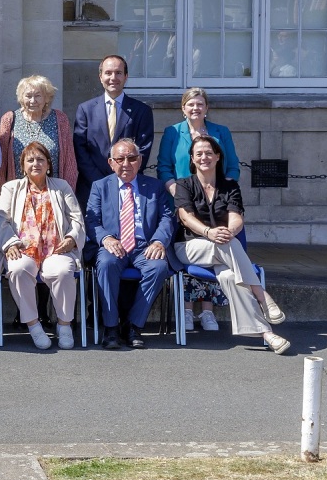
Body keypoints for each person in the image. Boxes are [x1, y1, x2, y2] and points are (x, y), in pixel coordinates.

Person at [172, 135, 291, 355]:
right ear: (192, 158)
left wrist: (229, 231)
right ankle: (263, 296)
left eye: (209, 152)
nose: (204, 157)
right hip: (190, 248)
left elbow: (236, 218)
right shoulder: (184, 185)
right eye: (199, 153)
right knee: (225, 244)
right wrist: (209, 232)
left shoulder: (230, 186)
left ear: (218, 156)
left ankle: (267, 334)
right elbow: (186, 217)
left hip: (223, 248)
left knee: (229, 276)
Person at [157, 87, 242, 331]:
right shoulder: (173, 132)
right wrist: (178, 194)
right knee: (188, 252)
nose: (195, 108)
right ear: (183, 108)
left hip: (216, 203)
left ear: (207, 107)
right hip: (183, 202)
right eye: (190, 104)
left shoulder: (220, 132)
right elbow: (164, 167)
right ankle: (185, 309)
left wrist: (225, 193)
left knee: (216, 250)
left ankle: (207, 311)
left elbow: (233, 167)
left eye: (200, 104)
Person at [0, 142, 84, 351]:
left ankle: (64, 325)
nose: (36, 163)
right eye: (30, 160)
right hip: (23, 249)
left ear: (49, 165)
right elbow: (1, 220)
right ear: (23, 165)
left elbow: (77, 219)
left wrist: (71, 238)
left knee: (62, 270)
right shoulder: (10, 188)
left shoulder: (62, 187)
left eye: (41, 159)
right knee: (18, 268)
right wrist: (9, 244)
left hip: (57, 249)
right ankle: (34, 325)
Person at [86, 138, 174, 351]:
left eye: (132, 158)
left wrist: (159, 241)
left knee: (159, 267)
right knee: (106, 264)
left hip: (145, 246)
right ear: (111, 162)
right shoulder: (100, 186)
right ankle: (111, 328)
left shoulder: (154, 186)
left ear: (140, 160)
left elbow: (167, 217)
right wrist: (106, 238)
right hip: (112, 245)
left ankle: (133, 326)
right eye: (120, 158)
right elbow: (91, 220)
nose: (126, 163)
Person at [73, 55, 154, 208]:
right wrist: (100, 182)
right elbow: (80, 149)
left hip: (129, 185)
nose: (113, 78)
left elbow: (143, 148)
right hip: (92, 187)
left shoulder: (142, 111)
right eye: (108, 73)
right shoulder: (85, 109)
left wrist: (122, 177)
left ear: (126, 76)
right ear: (100, 77)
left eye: (118, 73)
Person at [0, 74, 77, 192]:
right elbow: (1, 166)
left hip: (53, 192)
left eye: (38, 96)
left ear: (46, 98)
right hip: (18, 194)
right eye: (28, 96)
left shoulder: (60, 119)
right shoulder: (9, 119)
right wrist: (1, 198)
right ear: (21, 98)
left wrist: (68, 193)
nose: (33, 101)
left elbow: (70, 163)